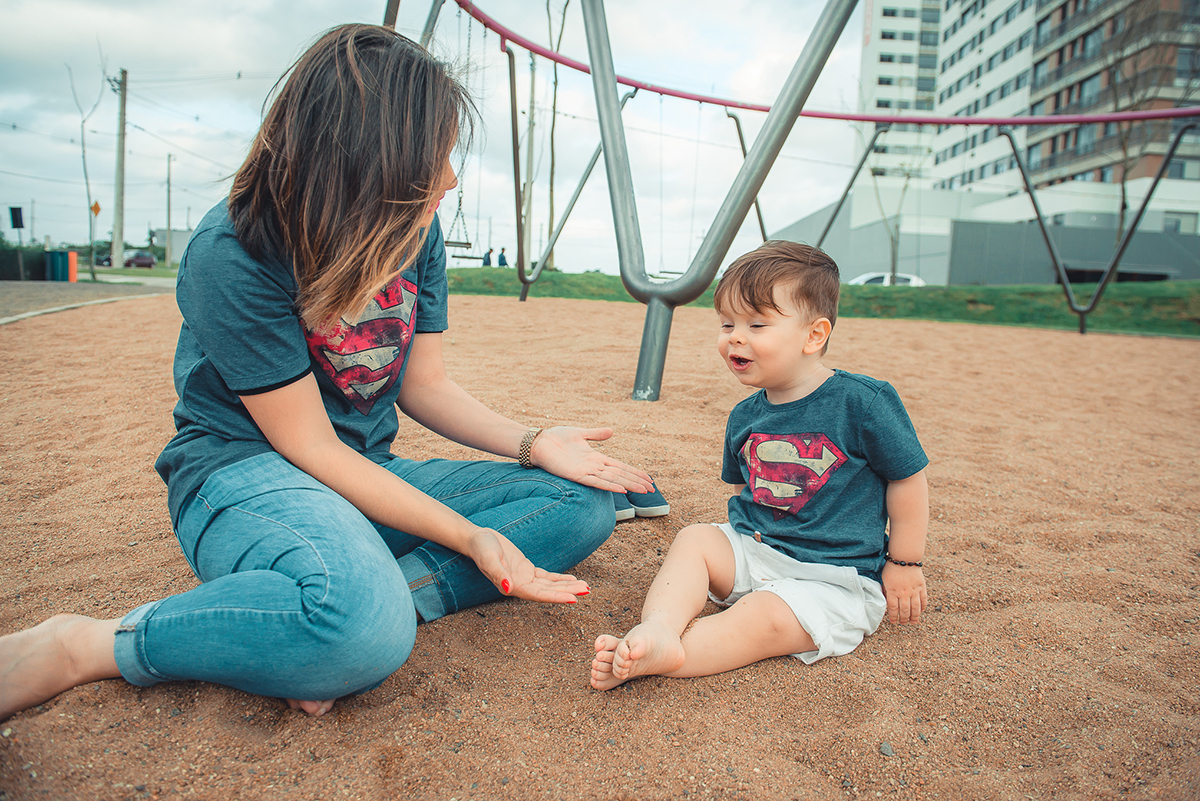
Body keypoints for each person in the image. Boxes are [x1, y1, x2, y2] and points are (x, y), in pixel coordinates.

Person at [0, 24, 653, 723]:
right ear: (374, 157)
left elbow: (424, 384)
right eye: (435, 154)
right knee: (363, 628)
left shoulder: (415, 229)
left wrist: (534, 443)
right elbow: (308, 445)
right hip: (244, 475)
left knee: (581, 502)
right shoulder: (235, 248)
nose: (450, 177)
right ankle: (84, 644)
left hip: (365, 472)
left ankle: (337, 618)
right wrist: (469, 537)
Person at [591, 241, 928, 690]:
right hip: (757, 550)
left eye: (757, 324)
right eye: (727, 323)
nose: (735, 336)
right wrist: (738, 551)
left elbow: (907, 479)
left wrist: (904, 563)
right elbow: (745, 491)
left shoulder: (863, 402)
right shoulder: (745, 416)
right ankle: (659, 626)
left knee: (762, 617)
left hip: (833, 577)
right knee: (695, 539)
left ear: (814, 335)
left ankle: (667, 657)